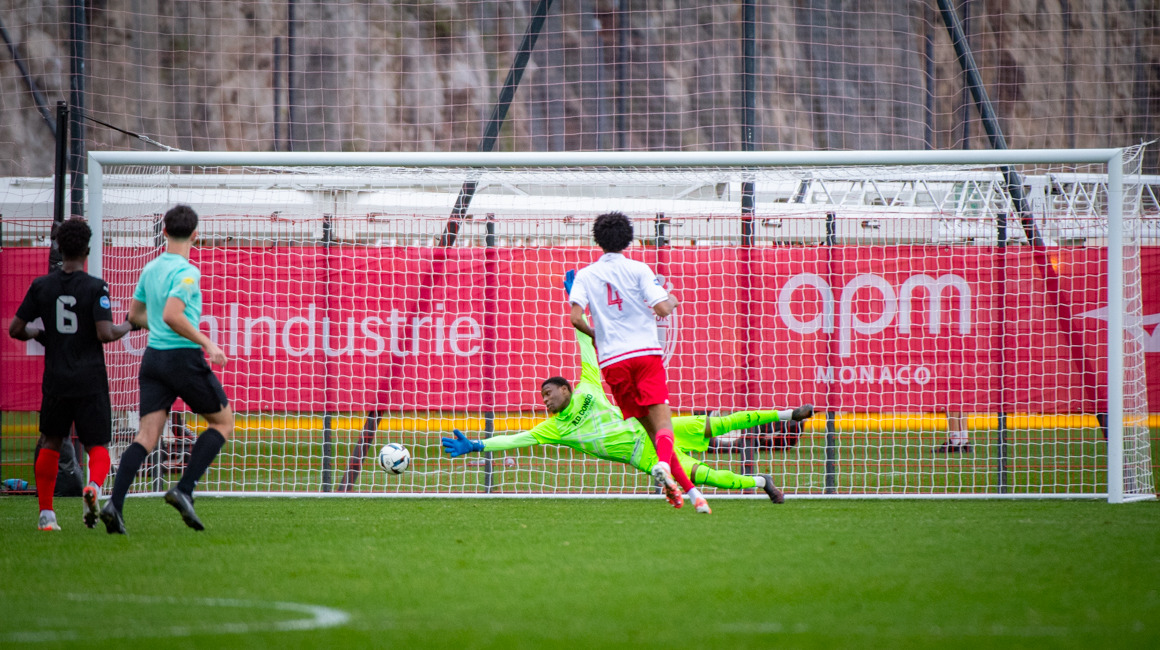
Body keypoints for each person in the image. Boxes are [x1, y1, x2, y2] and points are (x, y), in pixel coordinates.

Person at [441, 327, 813, 507]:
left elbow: (586, 345)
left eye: (548, 393)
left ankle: (788, 414)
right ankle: (761, 481)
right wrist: (478, 445)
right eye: (542, 398)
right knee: (710, 477)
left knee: (721, 422)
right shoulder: (553, 429)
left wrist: (577, 309)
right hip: (643, 455)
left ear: (566, 388)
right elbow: (513, 439)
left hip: (651, 426)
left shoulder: (587, 386)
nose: (545, 400)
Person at [100, 204, 233, 534]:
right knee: (222, 422)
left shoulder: (151, 268)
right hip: (182, 359)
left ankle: (114, 504)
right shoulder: (187, 272)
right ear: (196, 235)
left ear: (164, 232)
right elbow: (173, 315)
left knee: (146, 437)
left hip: (154, 360)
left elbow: (134, 316)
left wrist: (158, 325)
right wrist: (208, 343)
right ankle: (184, 489)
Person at [566, 211, 700, 511]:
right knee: (664, 425)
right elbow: (662, 309)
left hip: (613, 362)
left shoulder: (586, 274)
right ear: (628, 239)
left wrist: (596, 336)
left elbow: (575, 318)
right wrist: (673, 300)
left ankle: (693, 494)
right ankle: (664, 467)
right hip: (644, 354)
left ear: (598, 240)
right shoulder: (639, 269)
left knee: (653, 433)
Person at [8, 217, 132, 530]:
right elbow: (105, 333)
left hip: (57, 379)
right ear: (87, 249)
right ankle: (94, 487)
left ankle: (46, 515)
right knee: (97, 445)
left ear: (59, 248)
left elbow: (16, 328)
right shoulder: (95, 287)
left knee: (50, 441)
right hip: (90, 379)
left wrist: (40, 334)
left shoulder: (42, 286)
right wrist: (130, 324)